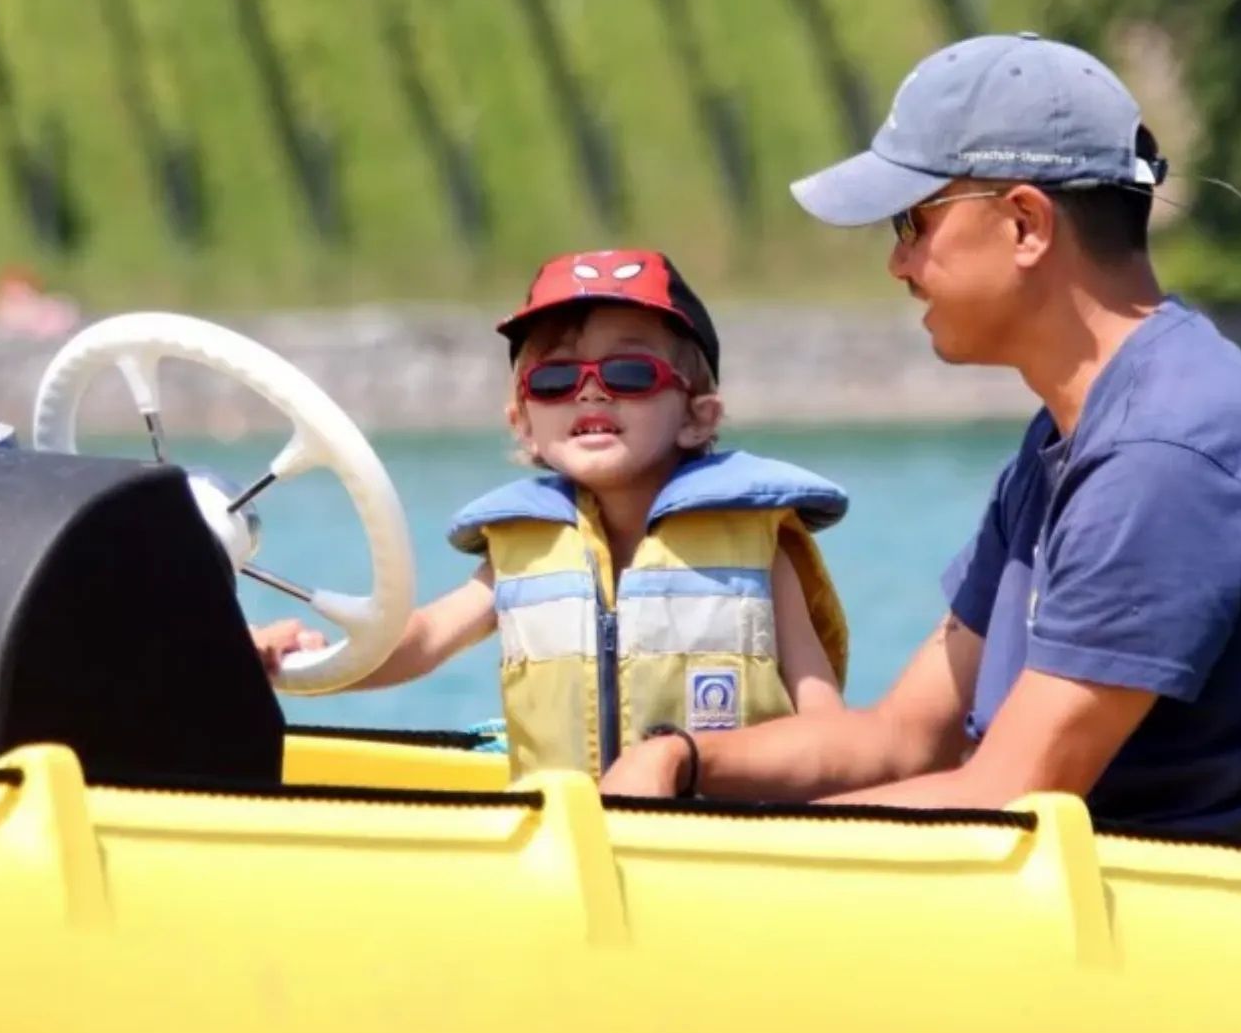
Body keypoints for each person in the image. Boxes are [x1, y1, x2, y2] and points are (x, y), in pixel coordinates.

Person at [600, 35, 1241, 841]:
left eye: (912, 221)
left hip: (1228, 920)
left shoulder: (1162, 457)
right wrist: (683, 761)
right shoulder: (1075, 433)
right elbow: (903, 738)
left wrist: (700, 847)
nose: (898, 263)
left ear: (1025, 224)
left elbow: (1007, 797)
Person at [255, 248, 850, 778]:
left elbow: (826, 728)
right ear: (523, 426)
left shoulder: (755, 550)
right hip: (567, 846)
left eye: (629, 373)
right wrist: (293, 664)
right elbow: (421, 640)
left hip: (717, 848)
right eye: (556, 379)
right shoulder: (524, 550)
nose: (590, 392)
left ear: (698, 416)